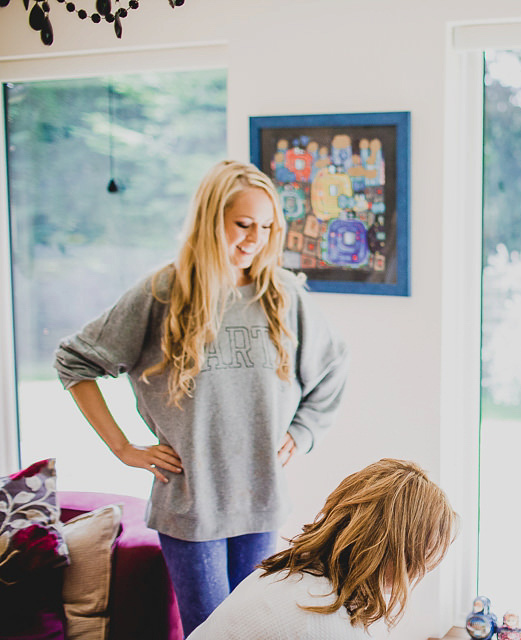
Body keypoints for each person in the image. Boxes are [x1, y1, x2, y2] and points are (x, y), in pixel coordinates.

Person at [54, 160, 349, 635]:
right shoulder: (164, 293)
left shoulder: (283, 295)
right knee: (209, 632)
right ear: (213, 220)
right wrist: (123, 448)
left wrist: (304, 430)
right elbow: (74, 361)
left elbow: (334, 366)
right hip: (190, 505)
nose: (255, 239)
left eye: (267, 226)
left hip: (261, 500)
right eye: (243, 224)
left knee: (255, 629)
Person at [186, 458, 460, 639]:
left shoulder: (292, 575)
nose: (424, 569)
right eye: (425, 556)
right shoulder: (319, 617)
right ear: (397, 553)